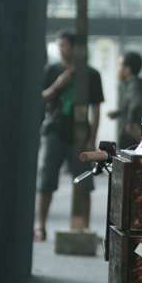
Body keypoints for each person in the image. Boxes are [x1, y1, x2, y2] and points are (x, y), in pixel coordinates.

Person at [35, 28, 104, 241]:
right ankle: (41, 226)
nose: (60, 49)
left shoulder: (91, 74)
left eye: (64, 45)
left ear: (75, 48)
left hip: (80, 135)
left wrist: (92, 138)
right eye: (59, 45)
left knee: (84, 182)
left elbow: (96, 108)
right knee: (46, 181)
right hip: (55, 132)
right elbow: (41, 99)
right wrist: (59, 85)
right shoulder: (52, 70)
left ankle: (84, 226)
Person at [107, 51, 142, 150]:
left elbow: (137, 105)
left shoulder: (135, 86)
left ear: (127, 69)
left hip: (132, 142)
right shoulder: (132, 85)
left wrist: (130, 124)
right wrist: (120, 112)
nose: (118, 69)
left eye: (120, 65)